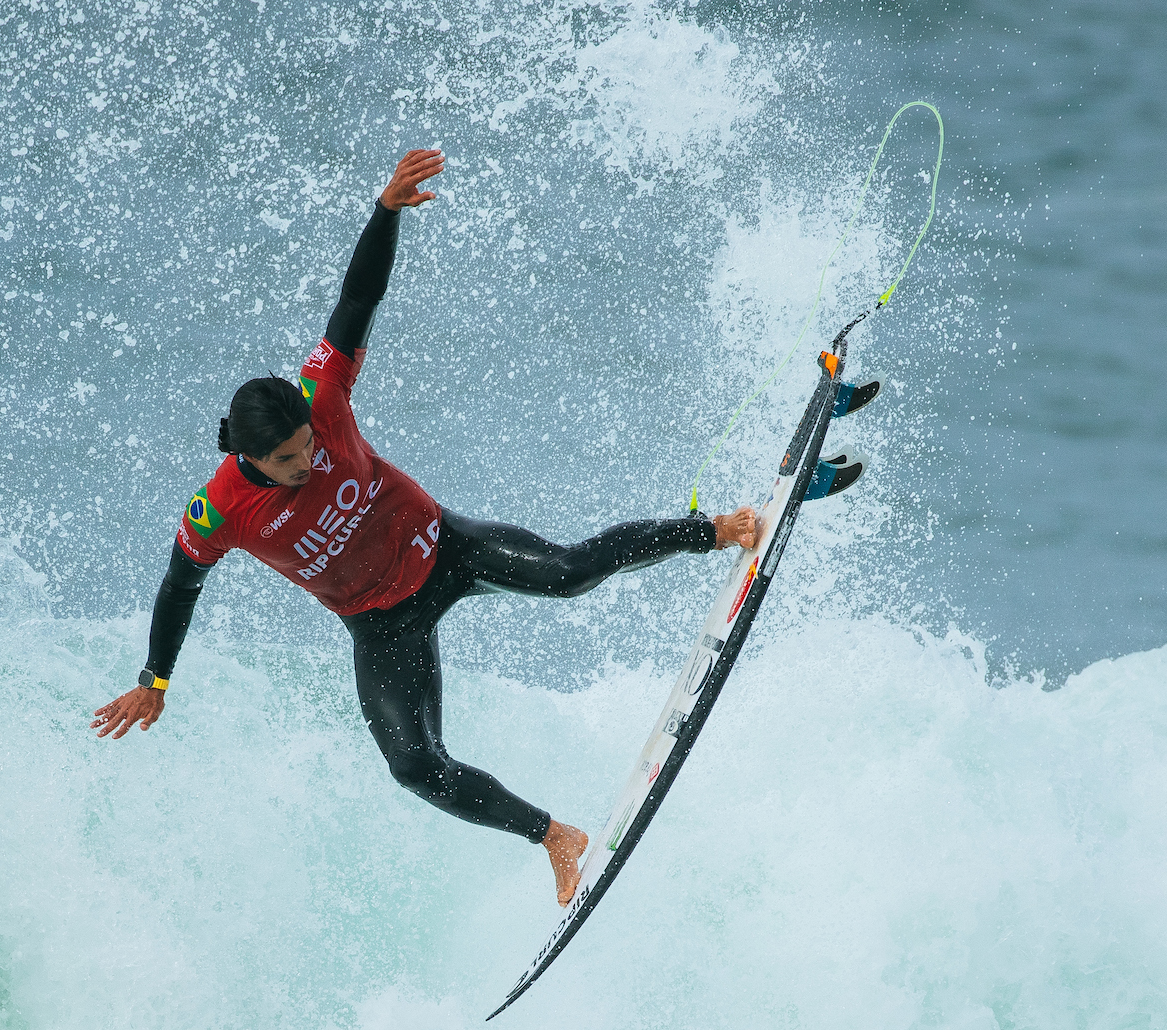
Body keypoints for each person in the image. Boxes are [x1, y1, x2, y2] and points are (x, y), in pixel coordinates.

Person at [90, 149, 771, 908]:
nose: (309, 461)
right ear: (246, 455)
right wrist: (154, 680)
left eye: (311, 444)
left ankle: (713, 531)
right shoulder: (218, 511)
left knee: (572, 571)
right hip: (381, 623)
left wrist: (384, 213)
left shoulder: (321, 394)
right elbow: (179, 585)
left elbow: (357, 299)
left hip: (443, 547)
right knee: (414, 766)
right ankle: (557, 838)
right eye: (288, 460)